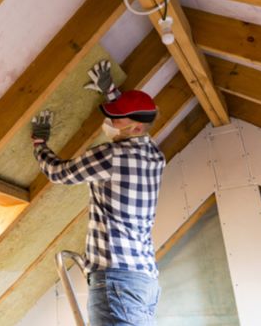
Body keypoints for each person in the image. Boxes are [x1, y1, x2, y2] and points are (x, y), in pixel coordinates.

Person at [31, 60, 166, 326]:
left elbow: (59, 173)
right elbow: (130, 119)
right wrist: (111, 92)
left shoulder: (111, 156)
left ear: (136, 128)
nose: (110, 122)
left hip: (116, 281)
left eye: (117, 118)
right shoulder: (155, 156)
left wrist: (39, 143)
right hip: (143, 282)